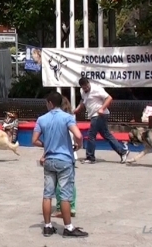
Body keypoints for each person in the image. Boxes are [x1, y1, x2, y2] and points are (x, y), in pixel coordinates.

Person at [32, 92, 87, 238]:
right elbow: (79, 135)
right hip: (65, 161)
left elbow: (34, 140)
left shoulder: (41, 119)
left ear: (50, 103)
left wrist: (46, 145)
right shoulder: (67, 117)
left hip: (49, 160)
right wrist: (78, 145)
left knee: (47, 194)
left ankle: (48, 226)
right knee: (65, 195)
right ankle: (68, 227)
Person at [73, 78, 129, 164]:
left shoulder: (97, 89)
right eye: (84, 88)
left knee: (91, 135)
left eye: (87, 87)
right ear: (81, 87)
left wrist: (102, 108)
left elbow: (109, 98)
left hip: (99, 115)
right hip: (93, 115)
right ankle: (123, 152)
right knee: (106, 134)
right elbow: (83, 101)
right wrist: (77, 109)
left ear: (89, 83)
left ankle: (90, 157)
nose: (86, 89)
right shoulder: (82, 91)